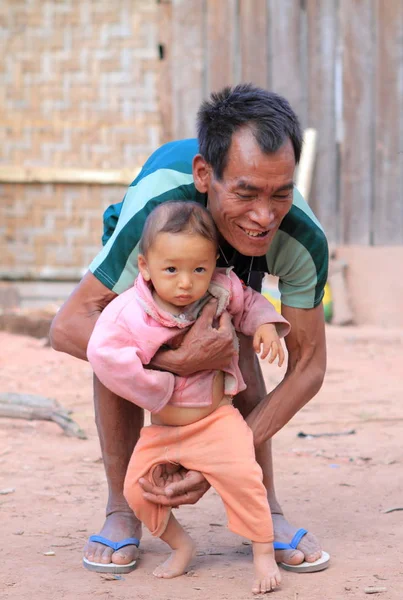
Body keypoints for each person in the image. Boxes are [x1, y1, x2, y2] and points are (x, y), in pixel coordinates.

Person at [50, 83, 329, 575]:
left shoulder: (300, 238)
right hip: (159, 241)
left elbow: (308, 367)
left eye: (280, 194)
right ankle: (122, 507)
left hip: (229, 290)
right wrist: (176, 361)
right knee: (118, 340)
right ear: (205, 175)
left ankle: (266, 509)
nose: (264, 216)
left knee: (236, 342)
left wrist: (218, 455)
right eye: (245, 193)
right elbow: (70, 326)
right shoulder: (157, 209)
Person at [87, 201, 291, 593]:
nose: (185, 282)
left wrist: (264, 324)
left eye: (198, 268)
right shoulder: (130, 312)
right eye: (171, 270)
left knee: (247, 479)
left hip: (217, 421)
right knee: (137, 489)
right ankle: (180, 545)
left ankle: (263, 552)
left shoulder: (219, 287)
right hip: (162, 430)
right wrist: (158, 387)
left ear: (213, 263)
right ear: (145, 267)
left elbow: (248, 302)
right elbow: (103, 354)